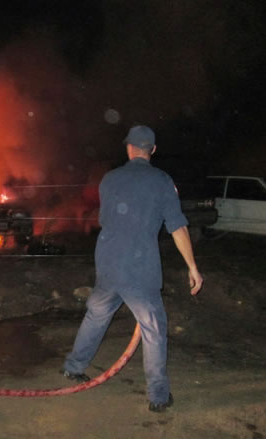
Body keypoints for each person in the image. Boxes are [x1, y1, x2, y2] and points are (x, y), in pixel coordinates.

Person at [61, 125, 203, 412]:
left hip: (108, 264)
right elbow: (177, 227)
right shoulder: (162, 181)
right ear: (153, 150)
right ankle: (158, 396)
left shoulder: (109, 180)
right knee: (153, 329)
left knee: (96, 315)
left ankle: (73, 367)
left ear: (128, 148)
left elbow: (106, 219)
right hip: (140, 269)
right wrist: (192, 267)